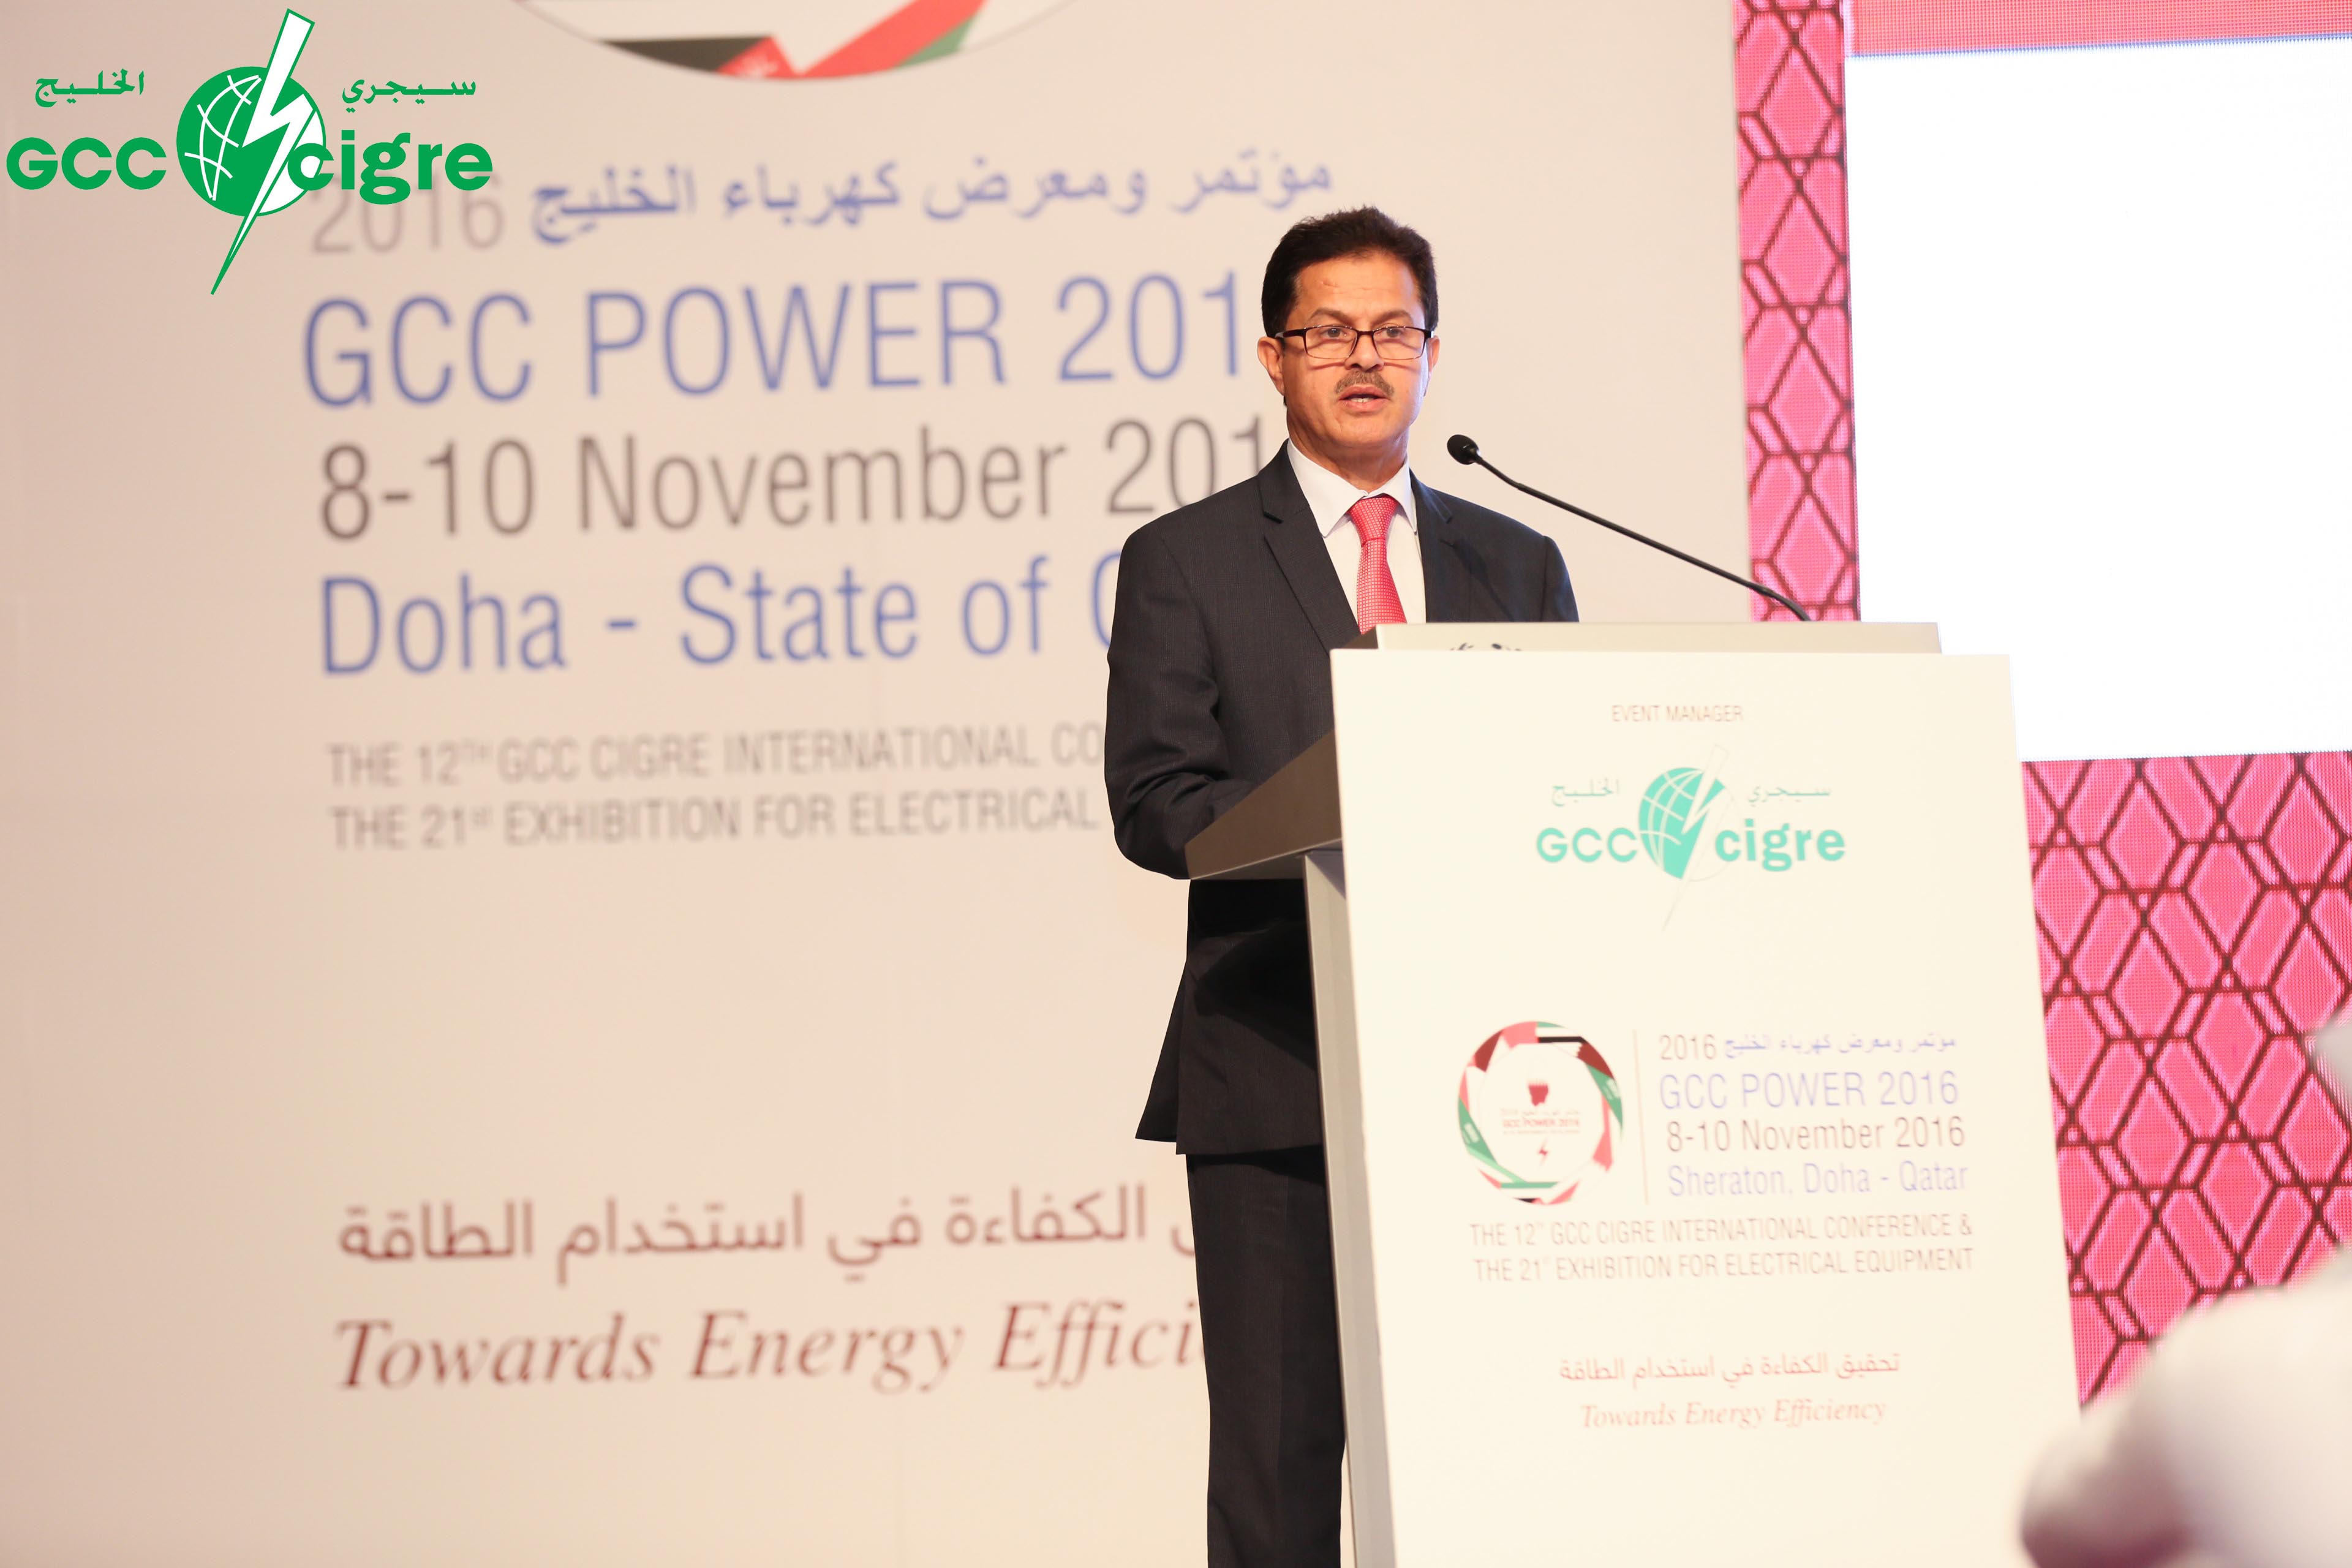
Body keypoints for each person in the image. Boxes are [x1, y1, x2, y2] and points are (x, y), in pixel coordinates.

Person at [1102, 207, 1577, 1568]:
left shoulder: (1516, 562)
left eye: (1392, 331)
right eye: (1328, 332)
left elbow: (1567, 782)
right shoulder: (1186, 560)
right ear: (1274, 356)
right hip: (1278, 1063)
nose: (1364, 357)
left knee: (1488, 1459)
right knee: (1281, 1471)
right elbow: (1156, 799)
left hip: (1492, 1084)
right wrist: (1347, 808)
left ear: (1431, 350)